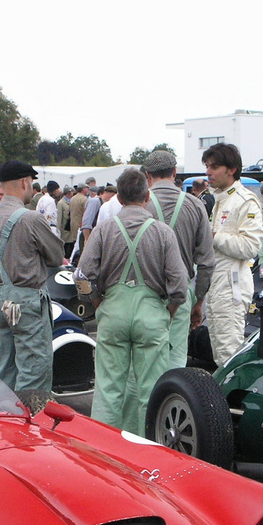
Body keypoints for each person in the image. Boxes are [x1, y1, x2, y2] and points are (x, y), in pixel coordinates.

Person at [77, 167, 189, 435]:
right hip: (151, 316)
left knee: (108, 390)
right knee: (150, 391)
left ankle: (103, 451)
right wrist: (168, 313)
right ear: (147, 196)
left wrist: (96, 303)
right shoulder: (163, 233)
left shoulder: (104, 230)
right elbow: (180, 287)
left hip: (112, 313)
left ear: (119, 198)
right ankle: (146, 451)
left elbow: (81, 275)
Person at [0, 159, 64, 395]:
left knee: (1, 370)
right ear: (24, 182)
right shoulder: (30, 218)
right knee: (34, 372)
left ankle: (1, 420)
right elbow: (57, 256)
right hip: (27, 303)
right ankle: (28, 424)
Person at [143, 149, 213, 367]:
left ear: (148, 175)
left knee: (144, 363)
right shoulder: (196, 205)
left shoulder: (140, 204)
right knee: (175, 362)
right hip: (181, 293)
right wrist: (198, 301)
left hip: (144, 295)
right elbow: (206, 262)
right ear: (174, 172)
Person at [200, 143, 263, 365]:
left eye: (214, 167)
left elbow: (251, 247)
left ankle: (233, 400)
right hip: (215, 285)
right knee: (218, 353)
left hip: (232, 286)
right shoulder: (216, 199)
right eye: (207, 166)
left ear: (231, 169)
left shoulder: (244, 201)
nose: (209, 172)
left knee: (230, 353)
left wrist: (213, 236)